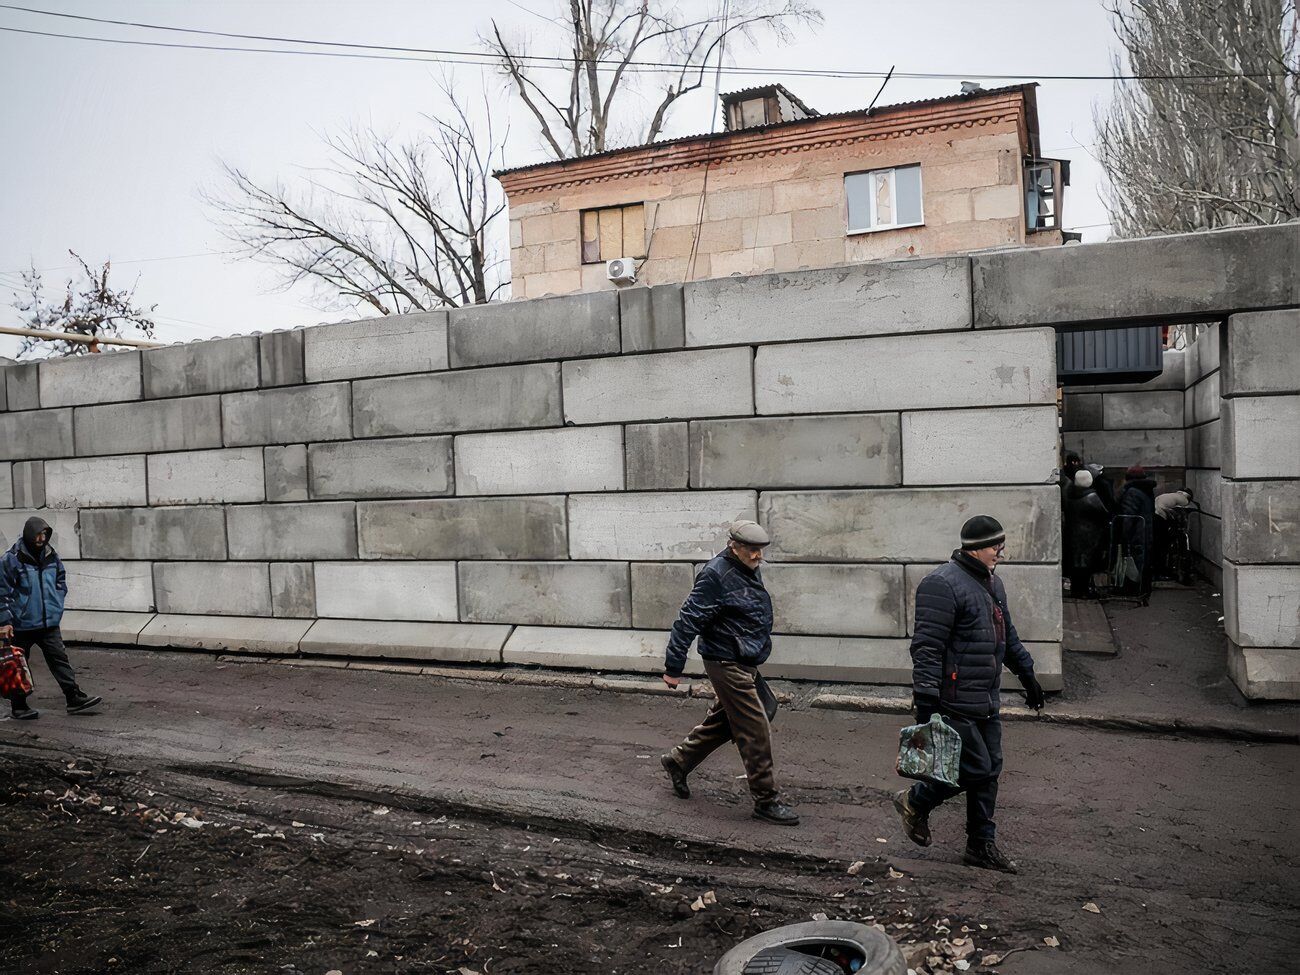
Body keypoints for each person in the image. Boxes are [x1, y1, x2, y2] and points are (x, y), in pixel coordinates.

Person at [893, 515, 1045, 873]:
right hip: (952, 699)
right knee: (977, 767)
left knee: (990, 771)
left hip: (985, 698)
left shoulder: (994, 584)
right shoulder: (941, 585)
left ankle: (980, 846)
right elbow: (927, 648)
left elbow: (1008, 638)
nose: (1000, 553)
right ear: (976, 548)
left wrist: (1029, 676)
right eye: (996, 547)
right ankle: (916, 800)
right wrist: (926, 699)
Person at [659, 520, 798, 826]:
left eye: (760, 550)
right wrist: (673, 667)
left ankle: (679, 761)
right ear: (734, 545)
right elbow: (687, 621)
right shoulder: (715, 574)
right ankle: (766, 800)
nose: (757, 555)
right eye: (752, 550)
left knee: (746, 714)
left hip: (744, 658)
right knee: (754, 727)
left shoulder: (746, 566)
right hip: (725, 660)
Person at [0, 516, 102, 719]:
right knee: (19, 664)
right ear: (29, 534)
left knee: (59, 660)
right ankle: (19, 707)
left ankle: (73, 698)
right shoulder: (12, 559)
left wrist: (56, 600)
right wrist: (5, 622)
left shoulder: (51, 556)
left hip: (48, 623)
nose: (41, 538)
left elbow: (60, 579)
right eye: (38, 534)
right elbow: (2, 593)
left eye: (44, 535)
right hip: (22, 625)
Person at [1064, 469, 1109, 599]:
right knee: (1086, 566)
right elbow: (1104, 514)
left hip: (1073, 535)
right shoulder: (1091, 498)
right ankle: (1084, 591)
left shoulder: (1070, 496)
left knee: (1076, 565)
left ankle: (1076, 590)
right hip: (1089, 537)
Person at [1117, 466, 1158, 597]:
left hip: (1135, 534)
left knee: (1133, 560)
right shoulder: (1147, 491)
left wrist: (1123, 536)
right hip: (1146, 532)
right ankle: (1144, 589)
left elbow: (1128, 516)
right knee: (1144, 561)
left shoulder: (1132, 492)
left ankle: (1132, 589)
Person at [1153, 488, 1194, 576]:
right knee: (1163, 544)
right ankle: (1163, 570)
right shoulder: (1184, 499)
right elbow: (1182, 512)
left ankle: (1157, 569)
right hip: (1160, 516)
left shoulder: (1171, 495)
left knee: (1157, 543)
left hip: (1154, 514)